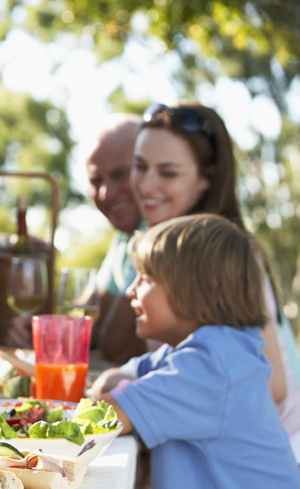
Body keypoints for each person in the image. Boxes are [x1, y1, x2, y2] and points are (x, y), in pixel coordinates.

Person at [96, 214, 300, 489]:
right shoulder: (198, 352)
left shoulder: (212, 367)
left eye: (146, 278)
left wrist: (113, 386)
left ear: (195, 290)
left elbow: (109, 413)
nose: (131, 289)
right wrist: (117, 383)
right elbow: (125, 378)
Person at [127, 102, 300, 459]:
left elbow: (271, 385)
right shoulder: (160, 249)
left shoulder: (225, 257)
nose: (146, 184)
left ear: (207, 177)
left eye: (168, 173)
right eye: (140, 166)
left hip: (260, 467)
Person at [8, 114, 146, 362]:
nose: (106, 193)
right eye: (96, 180)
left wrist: (58, 336)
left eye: (120, 174)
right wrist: (42, 333)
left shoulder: (158, 234)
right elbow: (87, 314)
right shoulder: (125, 236)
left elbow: (120, 345)